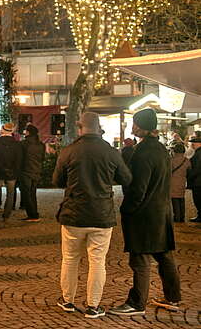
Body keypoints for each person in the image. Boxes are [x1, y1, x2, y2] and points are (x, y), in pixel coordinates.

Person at [53, 111, 132, 319]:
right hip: (101, 214)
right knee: (97, 261)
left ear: (80, 128)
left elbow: (57, 181)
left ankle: (68, 300)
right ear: (99, 129)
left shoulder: (69, 151)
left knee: (70, 258)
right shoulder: (111, 152)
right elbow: (126, 177)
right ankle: (93, 306)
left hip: (73, 214)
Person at [110, 108, 182, 316]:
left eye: (134, 124)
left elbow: (137, 189)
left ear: (141, 126)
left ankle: (136, 302)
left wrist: (127, 209)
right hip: (162, 211)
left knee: (140, 259)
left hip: (145, 214)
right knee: (164, 256)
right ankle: (173, 297)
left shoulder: (142, 153)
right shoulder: (161, 149)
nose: (132, 127)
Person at [0, 122, 23, 221]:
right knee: (10, 194)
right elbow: (19, 160)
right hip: (12, 173)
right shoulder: (17, 144)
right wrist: (14, 171)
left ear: (2, 130)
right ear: (12, 131)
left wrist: (1, 168)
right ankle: (6, 215)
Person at [20, 124, 45, 222]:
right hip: (36, 171)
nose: (24, 132)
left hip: (26, 171)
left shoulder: (24, 144)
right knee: (32, 193)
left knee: (26, 194)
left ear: (28, 132)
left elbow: (21, 158)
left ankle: (32, 215)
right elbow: (42, 158)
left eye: (25, 130)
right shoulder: (41, 144)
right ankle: (35, 213)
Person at [170, 142, 190, 223]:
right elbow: (189, 171)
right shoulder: (186, 161)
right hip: (182, 181)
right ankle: (182, 216)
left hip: (172, 182)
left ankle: (177, 217)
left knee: (174, 199)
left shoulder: (171, 160)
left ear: (174, 151)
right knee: (181, 198)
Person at [188, 135, 201, 222]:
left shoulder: (198, 154)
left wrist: (189, 176)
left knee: (198, 199)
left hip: (198, 181)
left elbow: (197, 169)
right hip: (198, 180)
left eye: (193, 143)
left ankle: (200, 216)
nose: (192, 145)